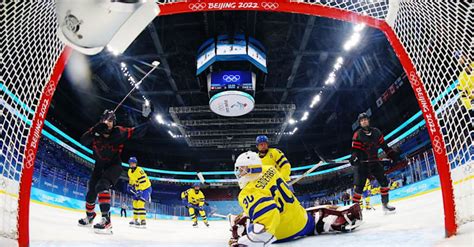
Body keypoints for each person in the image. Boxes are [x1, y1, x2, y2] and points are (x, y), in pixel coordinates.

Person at [229, 151, 362, 246]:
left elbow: (268, 220)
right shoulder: (271, 169)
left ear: (251, 170)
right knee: (307, 215)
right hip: (302, 221)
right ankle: (326, 221)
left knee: (246, 218)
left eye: (241, 170)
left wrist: (244, 242)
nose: (239, 173)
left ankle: (241, 226)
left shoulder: (248, 192)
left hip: (281, 234)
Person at [77, 108, 151, 233]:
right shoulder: (96, 130)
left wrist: (147, 119)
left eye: (111, 120)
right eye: (105, 120)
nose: (108, 122)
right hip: (99, 166)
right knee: (91, 193)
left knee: (101, 186)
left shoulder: (119, 132)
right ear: (101, 121)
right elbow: (83, 141)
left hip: (114, 166)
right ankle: (90, 216)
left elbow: (138, 132)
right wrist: (94, 131)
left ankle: (106, 220)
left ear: (114, 123)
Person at [350, 113, 401, 213]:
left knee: (384, 183)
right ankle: (353, 212)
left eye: (365, 119)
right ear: (360, 123)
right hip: (362, 164)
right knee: (359, 189)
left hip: (374, 161)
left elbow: (384, 146)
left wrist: (391, 154)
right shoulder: (357, 134)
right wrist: (354, 157)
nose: (364, 121)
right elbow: (355, 150)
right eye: (361, 120)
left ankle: (385, 205)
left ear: (368, 120)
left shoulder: (377, 132)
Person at [127, 157, 152, 228]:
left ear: (136, 164)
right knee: (135, 203)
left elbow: (143, 181)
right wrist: (130, 185)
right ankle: (135, 219)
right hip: (138, 189)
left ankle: (143, 220)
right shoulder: (129, 171)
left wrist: (140, 190)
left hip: (146, 189)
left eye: (133, 163)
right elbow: (131, 180)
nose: (132, 164)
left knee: (140, 203)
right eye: (131, 163)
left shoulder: (139, 170)